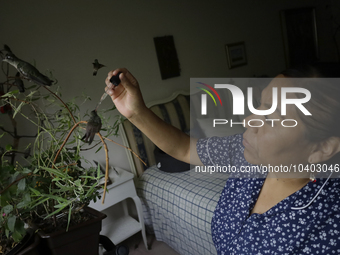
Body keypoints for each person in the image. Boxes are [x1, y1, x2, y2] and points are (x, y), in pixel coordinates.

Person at [105, 65, 340, 254]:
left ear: (322, 148)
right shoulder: (246, 154)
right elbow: (185, 148)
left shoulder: (329, 228)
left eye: (269, 117)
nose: (249, 120)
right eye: (259, 104)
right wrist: (137, 111)